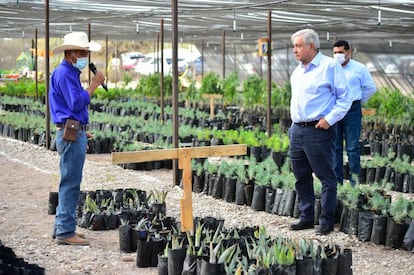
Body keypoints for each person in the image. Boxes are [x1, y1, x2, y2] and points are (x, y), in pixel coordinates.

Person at [288, 29, 353, 235]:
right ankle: (306, 217)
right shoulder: (298, 70)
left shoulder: (329, 67)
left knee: (326, 177)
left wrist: (329, 119)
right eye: (294, 46)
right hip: (297, 130)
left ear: (311, 46)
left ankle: (326, 221)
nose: (294, 50)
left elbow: (345, 98)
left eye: (298, 46)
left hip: (318, 130)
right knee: (301, 176)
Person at [50, 32, 105, 245]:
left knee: (69, 180)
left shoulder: (69, 72)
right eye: (82, 52)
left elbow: (70, 107)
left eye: (86, 52)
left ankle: (63, 227)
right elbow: (75, 104)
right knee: (71, 182)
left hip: (72, 130)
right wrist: (94, 84)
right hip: (70, 133)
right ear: (70, 53)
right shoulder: (64, 73)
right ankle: (65, 232)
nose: (85, 56)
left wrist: (82, 128)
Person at [332, 40, 377, 185]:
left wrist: (357, 101)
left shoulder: (359, 68)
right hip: (335, 109)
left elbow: (370, 88)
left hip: (352, 110)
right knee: (335, 147)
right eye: (335, 53)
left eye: (340, 52)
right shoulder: (331, 68)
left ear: (348, 52)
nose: (337, 55)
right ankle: (337, 182)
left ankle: (354, 183)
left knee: (352, 148)